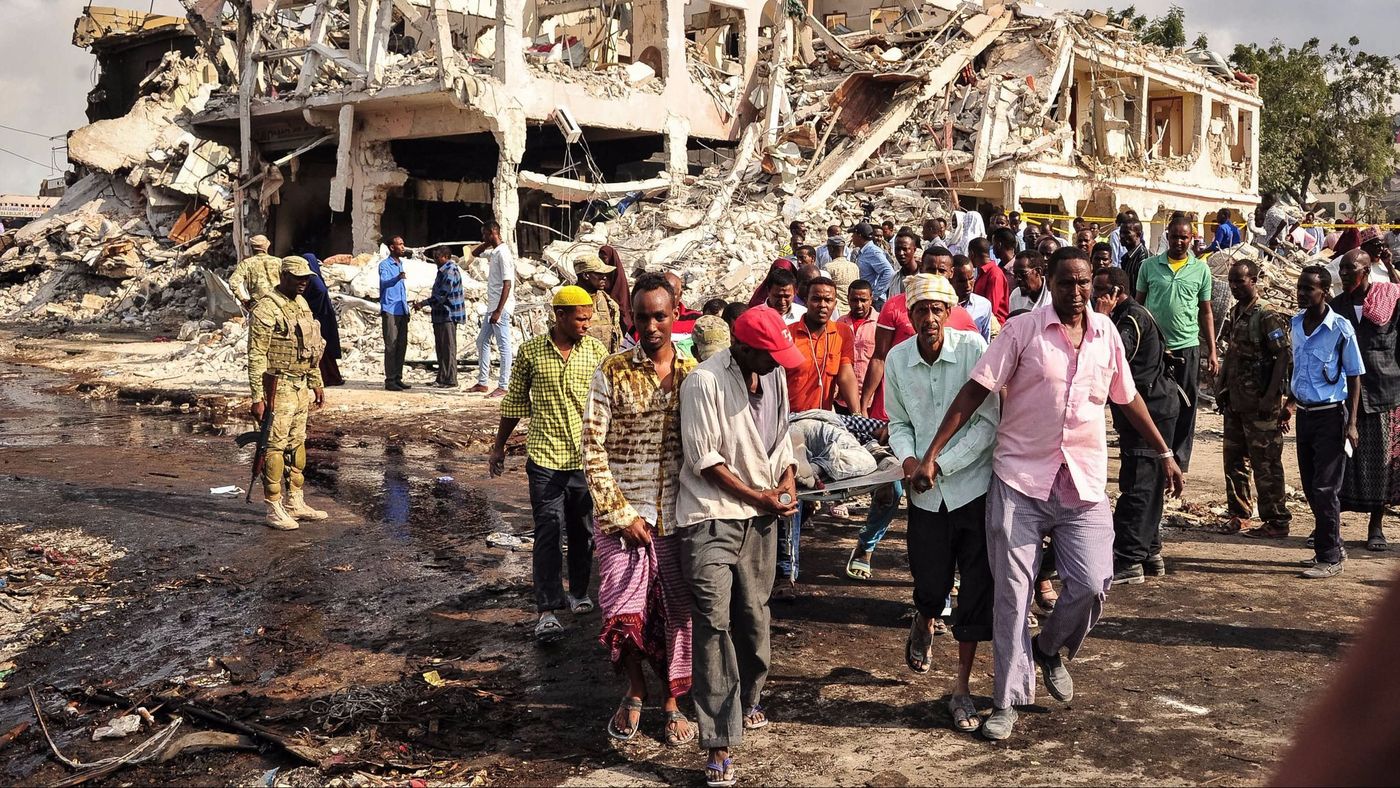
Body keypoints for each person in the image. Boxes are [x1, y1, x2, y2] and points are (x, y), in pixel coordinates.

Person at [917, 248, 1183, 740]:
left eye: (1084, 283)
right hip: (1019, 480)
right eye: (1066, 283)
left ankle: (1050, 649)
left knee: (1093, 582)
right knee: (1013, 596)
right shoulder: (1021, 331)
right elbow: (976, 390)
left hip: (1081, 480)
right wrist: (934, 450)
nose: (1076, 293)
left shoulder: (1107, 336)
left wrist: (1164, 451)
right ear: (1050, 285)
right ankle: (1006, 701)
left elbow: (1127, 398)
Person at [676, 305, 802, 788]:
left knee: (754, 618)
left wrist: (785, 484)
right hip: (711, 517)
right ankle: (718, 741)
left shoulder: (774, 379)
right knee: (713, 622)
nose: (775, 363)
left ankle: (748, 698)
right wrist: (758, 496)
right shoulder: (703, 383)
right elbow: (704, 459)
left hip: (763, 520)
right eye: (768, 355)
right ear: (742, 347)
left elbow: (782, 441)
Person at [582, 273, 699, 747]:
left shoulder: (695, 375)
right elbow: (591, 448)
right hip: (622, 517)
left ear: (675, 315)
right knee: (622, 613)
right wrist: (621, 514)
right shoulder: (611, 370)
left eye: (660, 316)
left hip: (678, 518)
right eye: (642, 316)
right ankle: (634, 690)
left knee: (676, 616)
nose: (650, 326)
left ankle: (672, 703)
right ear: (630, 317)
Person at [890, 274, 999, 733]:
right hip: (924, 496)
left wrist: (941, 464)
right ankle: (924, 615)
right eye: (921, 311)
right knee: (931, 585)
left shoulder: (973, 350)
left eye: (938, 310)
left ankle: (961, 688)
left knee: (976, 595)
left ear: (949, 312)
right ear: (909, 316)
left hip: (973, 489)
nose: (930, 319)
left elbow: (987, 423)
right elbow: (897, 422)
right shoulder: (898, 359)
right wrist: (912, 459)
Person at [489, 285, 610, 640]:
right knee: (548, 532)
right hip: (544, 458)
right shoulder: (530, 353)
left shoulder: (596, 352)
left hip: (584, 459)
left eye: (590, 318)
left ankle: (578, 591)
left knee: (583, 531)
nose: (587, 324)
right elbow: (513, 404)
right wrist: (498, 447)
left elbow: (607, 405)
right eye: (581, 318)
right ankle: (547, 609)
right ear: (560, 316)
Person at [1093, 267, 1181, 584]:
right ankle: (1150, 552)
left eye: (1101, 291)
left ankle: (1129, 559)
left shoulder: (1128, 319)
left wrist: (1102, 320)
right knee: (1149, 481)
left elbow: (1111, 359)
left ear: (1117, 292)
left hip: (1150, 410)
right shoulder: (1130, 315)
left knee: (1139, 484)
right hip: (1150, 408)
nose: (1093, 298)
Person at [1283, 266, 1364, 578]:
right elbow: (1299, 369)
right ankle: (1333, 544)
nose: (1302, 293)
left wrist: (1352, 423)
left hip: (1331, 416)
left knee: (1325, 488)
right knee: (1309, 485)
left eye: (1308, 289)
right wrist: (1289, 405)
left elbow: (1355, 376)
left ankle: (1328, 556)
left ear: (1324, 292)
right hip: (1304, 415)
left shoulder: (1340, 328)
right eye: (1300, 287)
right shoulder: (1296, 323)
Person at [247, 257, 329, 530]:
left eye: (307, 278)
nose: (304, 282)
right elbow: (257, 354)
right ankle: (273, 507)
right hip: (278, 387)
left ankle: (295, 501)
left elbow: (311, 349)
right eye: (298, 277)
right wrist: (257, 396)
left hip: (300, 385)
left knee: (297, 445)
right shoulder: (266, 309)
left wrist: (316, 381)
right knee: (274, 447)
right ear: (283, 276)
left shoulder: (302, 304)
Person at [1216, 260, 1293, 539]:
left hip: (1260, 404)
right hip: (1236, 401)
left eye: (1241, 281)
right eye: (1232, 282)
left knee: (1266, 463)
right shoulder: (1236, 312)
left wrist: (1272, 396)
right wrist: (1222, 388)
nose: (1236, 287)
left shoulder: (1267, 314)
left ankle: (1276, 520)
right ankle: (1239, 513)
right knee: (1234, 460)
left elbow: (1284, 354)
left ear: (1254, 280)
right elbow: (1233, 355)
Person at [1136, 215, 1219, 471]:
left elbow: (1205, 311)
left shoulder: (1200, 269)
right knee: (1152, 402)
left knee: (1186, 402)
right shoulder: (1149, 267)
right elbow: (1138, 306)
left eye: (1184, 237)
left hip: (1187, 345)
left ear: (1191, 238)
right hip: (1155, 348)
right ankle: (1156, 455)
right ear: (1167, 237)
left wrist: (1212, 351)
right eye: (1175, 236)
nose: (1179, 242)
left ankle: (1179, 461)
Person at [1332, 249, 1400, 551]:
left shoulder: (1389, 302)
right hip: (1343, 392)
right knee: (1338, 463)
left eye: (1352, 269)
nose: (1345, 274)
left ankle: (1376, 527)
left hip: (1384, 390)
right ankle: (1331, 525)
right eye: (1342, 269)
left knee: (1381, 464)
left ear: (1366, 271)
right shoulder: (1336, 306)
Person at [470, 222, 516, 396]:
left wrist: (498, 311)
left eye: (484, 234)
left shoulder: (503, 253)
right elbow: (475, 253)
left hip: (500, 308)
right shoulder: (495, 251)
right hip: (492, 307)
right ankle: (482, 382)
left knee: (504, 346)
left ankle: (503, 385)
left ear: (492, 232)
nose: (482, 238)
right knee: (482, 341)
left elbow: (507, 284)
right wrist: (488, 241)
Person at [418, 246, 466, 388]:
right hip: (440, 315)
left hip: (448, 314)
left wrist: (423, 303)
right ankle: (442, 378)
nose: (435, 260)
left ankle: (450, 379)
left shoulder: (450, 271)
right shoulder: (442, 271)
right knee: (441, 348)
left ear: (445, 257)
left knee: (448, 348)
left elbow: (441, 295)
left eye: (437, 257)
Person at [300, 253, 344, 386]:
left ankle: (326, 378)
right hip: (324, 317)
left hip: (319, 318)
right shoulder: (315, 278)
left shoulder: (313, 280)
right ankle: (330, 377)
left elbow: (321, 292)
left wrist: (309, 310)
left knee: (319, 348)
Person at [837, 279, 877, 412]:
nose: (859, 305)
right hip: (843, 398)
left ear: (871, 299)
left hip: (872, 398)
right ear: (848, 299)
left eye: (863, 300)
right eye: (854, 300)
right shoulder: (840, 324)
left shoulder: (880, 324)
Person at [378, 236, 412, 391]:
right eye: (400, 244)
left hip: (401, 310)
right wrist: (396, 278)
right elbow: (384, 282)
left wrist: (406, 308)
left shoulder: (401, 264)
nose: (403, 247)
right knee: (391, 345)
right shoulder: (385, 265)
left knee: (401, 345)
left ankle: (398, 377)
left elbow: (402, 291)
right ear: (392, 247)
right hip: (390, 310)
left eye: (403, 244)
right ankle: (390, 380)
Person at [573, 254, 624, 352]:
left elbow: (616, 337)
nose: (605, 277)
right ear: (586, 275)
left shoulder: (608, 303)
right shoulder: (568, 302)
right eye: (599, 274)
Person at [230, 234, 282, 310]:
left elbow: (233, 282)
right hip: (279, 303)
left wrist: (242, 299)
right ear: (267, 246)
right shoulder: (279, 261)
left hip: (258, 306)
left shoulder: (246, 263)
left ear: (252, 247)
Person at [849, 222, 895, 307]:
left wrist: (875, 294)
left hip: (874, 303)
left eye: (853, 234)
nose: (852, 237)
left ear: (859, 235)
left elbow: (889, 272)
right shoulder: (862, 251)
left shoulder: (873, 252)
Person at [949, 254, 995, 340]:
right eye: (961, 281)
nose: (968, 286)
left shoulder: (984, 305)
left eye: (971, 279)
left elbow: (985, 341)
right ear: (950, 278)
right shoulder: (942, 306)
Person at [969, 238, 1009, 323]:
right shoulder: (983, 272)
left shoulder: (994, 274)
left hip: (993, 326)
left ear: (972, 254)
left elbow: (991, 308)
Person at [1119, 222, 1148, 300]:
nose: (1122, 236)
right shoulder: (1126, 257)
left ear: (1138, 235)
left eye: (1126, 233)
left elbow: (1142, 288)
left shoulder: (1143, 256)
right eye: (1121, 233)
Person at [889, 230, 921, 300]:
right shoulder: (894, 280)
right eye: (897, 249)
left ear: (914, 250)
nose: (901, 253)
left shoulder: (924, 276)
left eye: (905, 249)